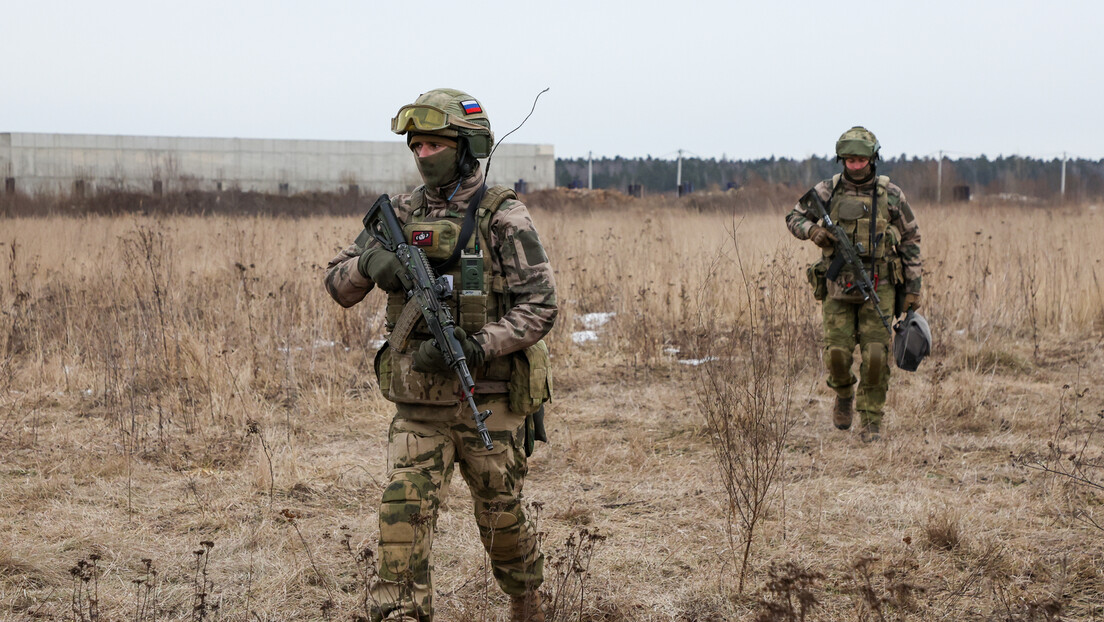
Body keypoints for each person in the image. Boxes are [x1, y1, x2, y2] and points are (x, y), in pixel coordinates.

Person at [324, 88, 556, 621]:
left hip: (490, 399)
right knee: (402, 514)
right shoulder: (399, 213)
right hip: (420, 404)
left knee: (502, 518)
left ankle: (526, 600)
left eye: (434, 143)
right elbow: (337, 284)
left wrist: (479, 345)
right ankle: (403, 612)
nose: (422, 154)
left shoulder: (503, 215)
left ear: (466, 146)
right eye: (415, 145)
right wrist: (370, 267)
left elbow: (541, 305)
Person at [786, 126, 922, 441]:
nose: (855, 165)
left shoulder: (891, 195)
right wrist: (812, 232)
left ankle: (871, 421)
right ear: (841, 159)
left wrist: (913, 287)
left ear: (872, 159)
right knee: (837, 355)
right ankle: (844, 395)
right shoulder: (826, 191)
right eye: (849, 160)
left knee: (876, 355)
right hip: (838, 285)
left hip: (880, 284)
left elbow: (911, 237)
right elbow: (794, 216)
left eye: (861, 160)